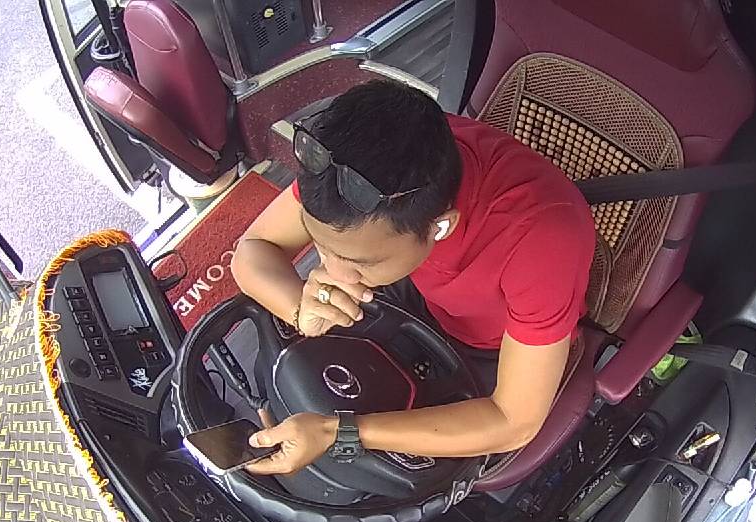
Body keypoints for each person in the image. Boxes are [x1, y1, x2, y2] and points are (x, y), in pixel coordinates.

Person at [230, 79, 596, 476]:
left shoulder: (541, 242)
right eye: (321, 246)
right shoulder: (358, 167)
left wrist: (341, 433)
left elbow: (513, 420)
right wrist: (299, 308)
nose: (333, 274)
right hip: (416, 294)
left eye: (359, 263)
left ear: (441, 227)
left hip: (495, 349)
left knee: (376, 469)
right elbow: (253, 249)